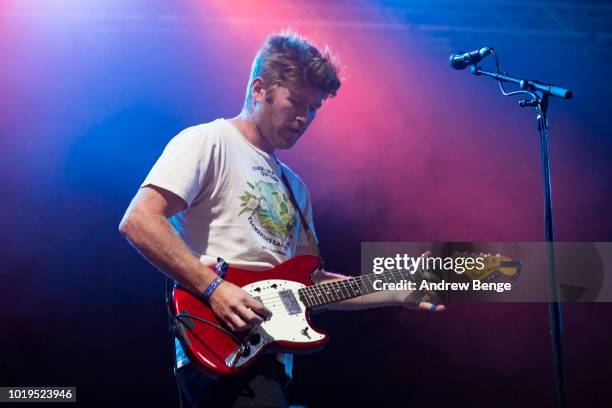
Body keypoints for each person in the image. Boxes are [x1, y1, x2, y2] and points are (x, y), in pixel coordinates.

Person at [119, 31, 444, 408]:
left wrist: (396, 289)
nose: (304, 117)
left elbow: (314, 280)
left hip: (270, 359)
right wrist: (214, 289)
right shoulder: (208, 141)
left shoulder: (295, 187)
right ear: (260, 90)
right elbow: (139, 220)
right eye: (297, 101)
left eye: (315, 108)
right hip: (220, 341)